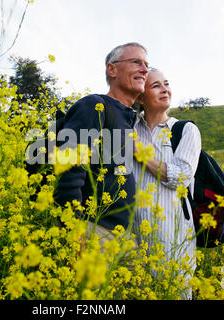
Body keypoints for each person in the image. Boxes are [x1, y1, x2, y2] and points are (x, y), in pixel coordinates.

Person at [54, 42, 149, 247]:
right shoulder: (95, 105)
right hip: (92, 229)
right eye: (136, 62)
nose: (144, 69)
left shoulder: (130, 120)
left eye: (146, 65)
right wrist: (72, 230)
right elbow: (69, 167)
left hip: (123, 236)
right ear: (112, 69)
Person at [132, 68, 201, 299]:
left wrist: (140, 154)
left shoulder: (185, 130)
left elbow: (181, 176)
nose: (165, 89)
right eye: (156, 86)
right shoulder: (129, 129)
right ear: (141, 97)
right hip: (133, 238)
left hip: (174, 239)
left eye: (167, 84)